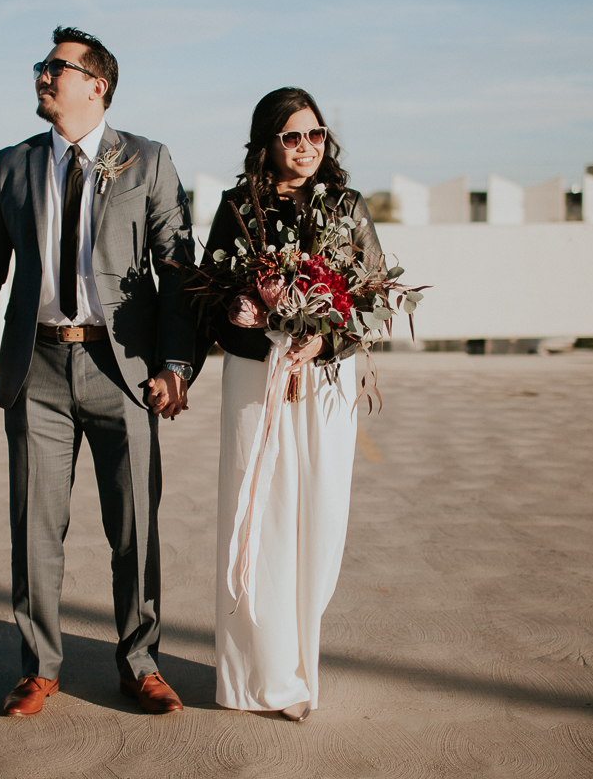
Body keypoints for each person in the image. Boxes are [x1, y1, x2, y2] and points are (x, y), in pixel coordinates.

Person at [0, 27, 196, 717]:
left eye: (56, 67)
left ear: (97, 84)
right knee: (35, 528)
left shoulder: (147, 160)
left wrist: (177, 365)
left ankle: (141, 663)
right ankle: (39, 668)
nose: (42, 77)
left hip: (124, 371)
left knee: (135, 530)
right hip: (39, 368)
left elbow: (179, 270)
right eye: (41, 66)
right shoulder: (13, 165)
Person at [200, 87, 382, 722]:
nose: (307, 148)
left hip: (328, 383)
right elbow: (208, 302)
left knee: (320, 517)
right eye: (292, 137)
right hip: (256, 379)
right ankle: (260, 677)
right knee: (260, 517)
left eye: (317, 135)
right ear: (266, 143)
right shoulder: (237, 208)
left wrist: (323, 337)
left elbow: (374, 302)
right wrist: (258, 322)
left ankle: (303, 662)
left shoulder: (347, 206)